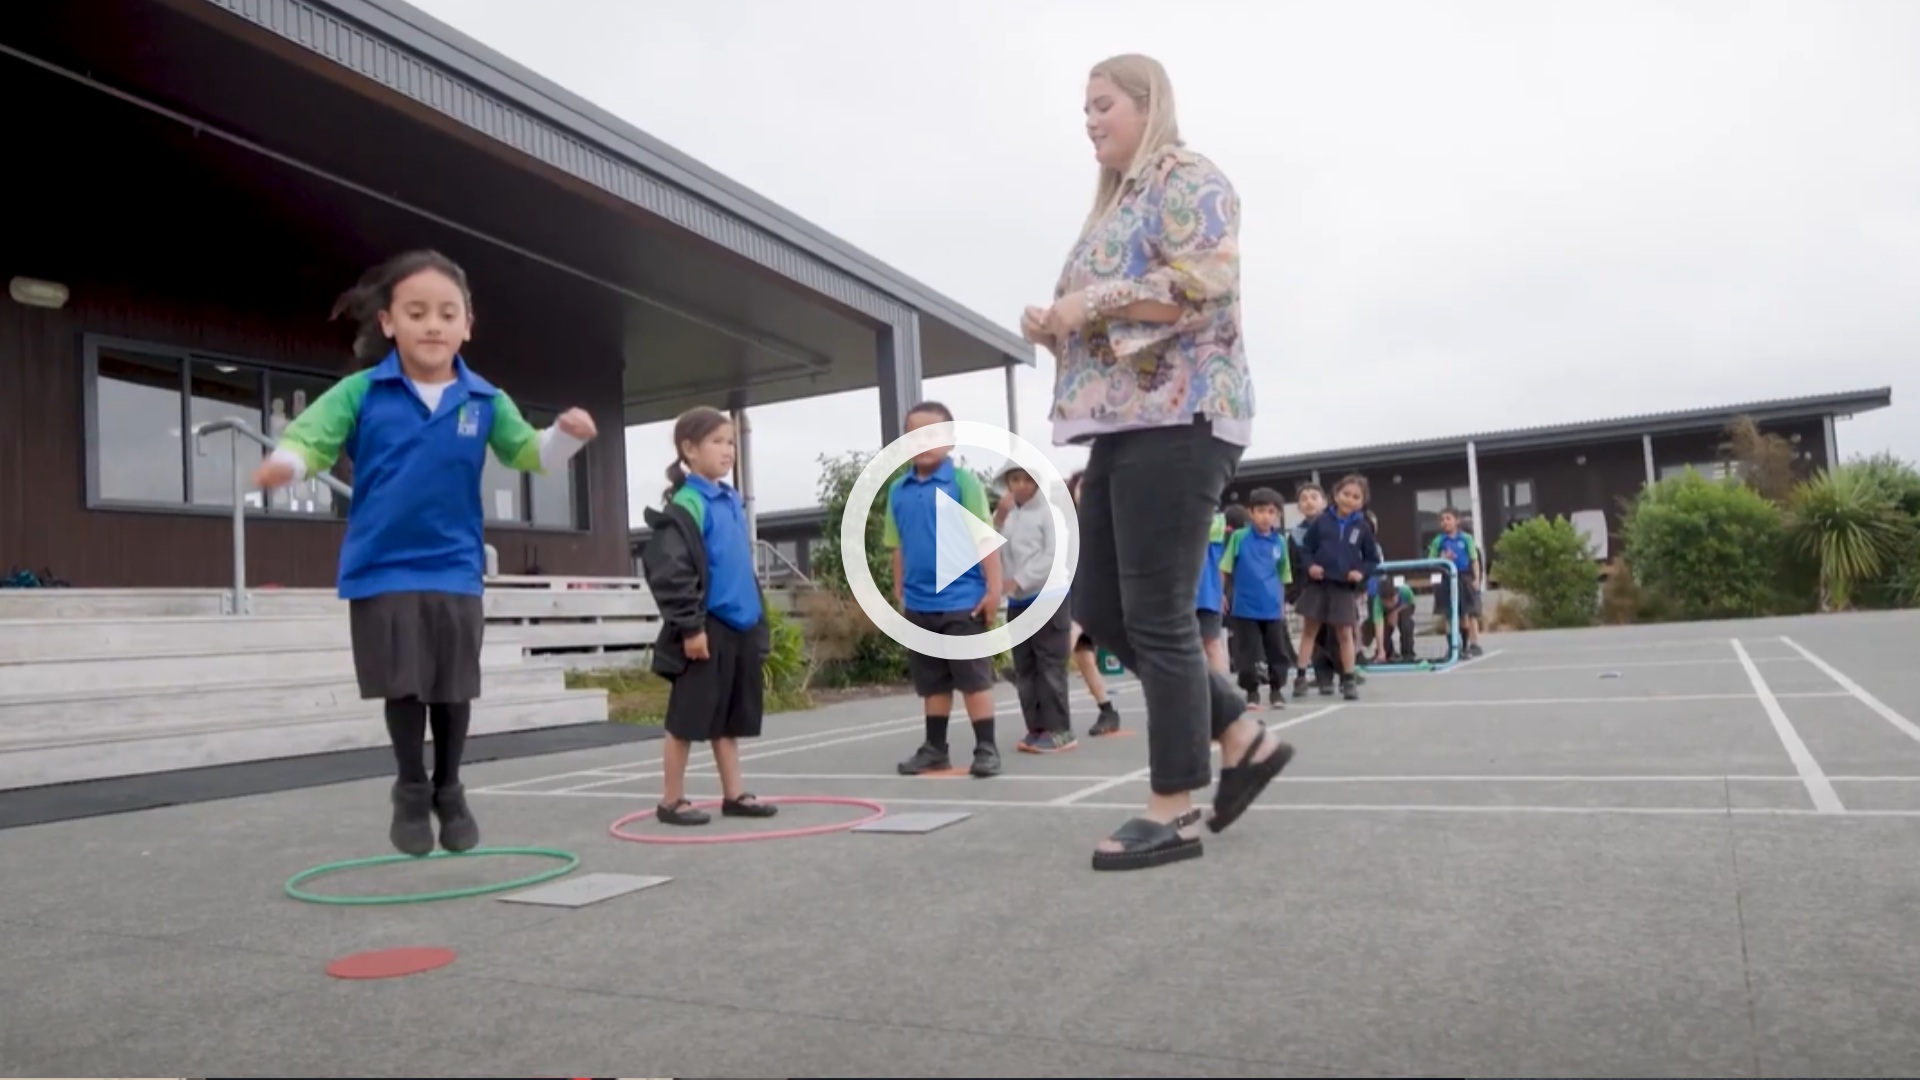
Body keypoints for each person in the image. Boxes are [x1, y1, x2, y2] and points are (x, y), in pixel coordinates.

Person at [1025, 53, 1291, 871]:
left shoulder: (1187, 177)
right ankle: (1240, 734)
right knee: (1101, 606)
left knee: (1158, 613)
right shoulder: (1117, 202)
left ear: (1148, 104)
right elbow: (1121, 313)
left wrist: (1090, 302)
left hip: (1184, 412)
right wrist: (1060, 322)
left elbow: (1205, 283)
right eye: (1085, 109)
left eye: (1103, 104)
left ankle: (1173, 807)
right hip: (1127, 422)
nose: (1090, 120)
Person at [253, 249, 596, 856]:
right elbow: (312, 438)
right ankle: (410, 788)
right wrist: (287, 465)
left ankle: (450, 788)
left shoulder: (484, 399)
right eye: (416, 314)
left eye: (446, 313)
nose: (432, 326)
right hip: (381, 565)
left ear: (467, 324)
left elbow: (528, 452)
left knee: (452, 685)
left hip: (454, 565)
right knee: (404, 684)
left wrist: (566, 438)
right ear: (389, 323)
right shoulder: (362, 392)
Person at [639, 406, 780, 826]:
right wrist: (691, 627)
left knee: (729, 718)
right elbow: (671, 571)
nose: (728, 450)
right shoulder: (688, 503)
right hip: (707, 626)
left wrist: (757, 623)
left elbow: (738, 565)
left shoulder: (731, 499)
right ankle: (671, 800)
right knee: (687, 717)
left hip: (740, 624)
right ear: (689, 449)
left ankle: (734, 794)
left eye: (731, 442)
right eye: (717, 441)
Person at [888, 401, 1005, 778]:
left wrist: (994, 590)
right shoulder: (897, 490)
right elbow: (897, 545)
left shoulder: (963, 483)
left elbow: (984, 538)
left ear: (951, 440)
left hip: (962, 601)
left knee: (972, 679)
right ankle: (935, 749)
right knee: (932, 682)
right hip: (919, 603)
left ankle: (986, 747)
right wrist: (899, 591)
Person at [994, 464, 1077, 752]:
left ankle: (1060, 731)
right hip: (1018, 602)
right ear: (1007, 483)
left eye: (1028, 479)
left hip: (1048, 597)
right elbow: (993, 550)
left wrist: (1018, 580)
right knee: (1025, 668)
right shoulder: (1007, 516)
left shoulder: (1050, 513)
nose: (1021, 485)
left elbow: (1052, 556)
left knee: (1049, 667)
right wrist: (998, 520)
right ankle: (1036, 728)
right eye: (1015, 479)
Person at [1293, 475, 1382, 701]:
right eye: (1346, 494)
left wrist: (1360, 572)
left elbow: (1372, 559)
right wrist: (1311, 566)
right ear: (1335, 495)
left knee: (1345, 633)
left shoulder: (1362, 527)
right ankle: (1301, 676)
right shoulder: (1321, 521)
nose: (1350, 499)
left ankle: (1349, 678)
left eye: (1356, 497)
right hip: (1318, 584)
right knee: (1310, 631)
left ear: (1362, 502)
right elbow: (1306, 549)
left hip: (1343, 587)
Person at [1064, 470, 1124, 736]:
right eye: (1081, 487)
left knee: (1069, 638)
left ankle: (1039, 676)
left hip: (1095, 594)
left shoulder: (1105, 521)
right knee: (1084, 656)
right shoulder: (1067, 521)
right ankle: (1107, 710)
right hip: (1071, 592)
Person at [1219, 488, 1291, 710]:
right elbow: (1225, 567)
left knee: (1277, 650)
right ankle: (1252, 691)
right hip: (1245, 606)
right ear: (1250, 513)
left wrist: (1281, 603)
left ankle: (1276, 689)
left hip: (1271, 606)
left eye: (1271, 512)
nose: (1265, 516)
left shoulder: (1280, 541)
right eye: (1260, 511)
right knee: (1247, 651)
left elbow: (1283, 574)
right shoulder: (1239, 538)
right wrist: (1220, 594)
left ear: (1277, 515)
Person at [1428, 507, 1485, 658]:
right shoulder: (1438, 541)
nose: (1445, 522)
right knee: (1449, 615)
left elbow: (1474, 560)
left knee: (1466, 613)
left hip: (1463, 577)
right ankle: (1452, 646)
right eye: (1442, 519)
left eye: (1448, 518)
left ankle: (1469, 645)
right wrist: (1442, 559)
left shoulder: (1466, 538)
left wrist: (1476, 579)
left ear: (1457, 521)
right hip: (1446, 578)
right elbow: (1430, 561)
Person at [1195, 508, 1230, 676]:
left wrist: (1220, 592)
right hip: (1204, 593)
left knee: (1211, 643)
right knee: (1211, 644)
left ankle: (1219, 688)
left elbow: (1220, 562)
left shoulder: (1215, 522)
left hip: (1206, 593)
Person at [1372, 577, 1419, 663]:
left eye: (1392, 599)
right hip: (1386, 613)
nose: (1390, 604)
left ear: (1397, 593)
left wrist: (1396, 612)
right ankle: (1388, 652)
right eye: (1386, 601)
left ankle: (1407, 653)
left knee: (1406, 624)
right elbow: (1379, 627)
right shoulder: (1377, 602)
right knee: (1384, 629)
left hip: (1404, 607)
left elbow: (1411, 604)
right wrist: (1381, 650)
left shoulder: (1405, 590)